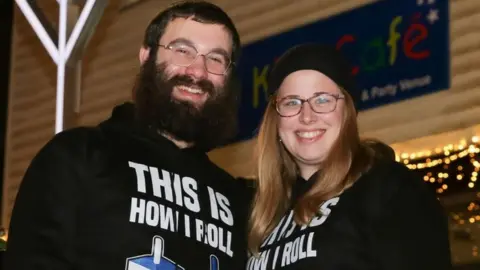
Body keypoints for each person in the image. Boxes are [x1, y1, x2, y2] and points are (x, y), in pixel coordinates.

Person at [4, 1, 250, 269]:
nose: (198, 71)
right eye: (182, 50)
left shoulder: (236, 202)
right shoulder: (78, 155)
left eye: (216, 59)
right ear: (146, 57)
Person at [245, 43, 453, 269]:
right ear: (276, 119)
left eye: (323, 100)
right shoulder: (262, 213)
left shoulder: (388, 188)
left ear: (347, 112)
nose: (307, 116)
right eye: (292, 102)